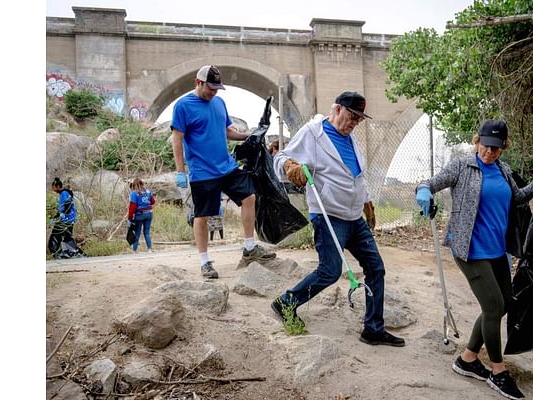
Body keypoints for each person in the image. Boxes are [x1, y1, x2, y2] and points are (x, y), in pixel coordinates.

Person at [415, 119, 533, 400]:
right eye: (485, 145)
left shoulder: (503, 170)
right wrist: (423, 192)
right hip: (469, 250)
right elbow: (430, 183)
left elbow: (518, 198)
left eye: (496, 148)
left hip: (496, 251)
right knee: (493, 307)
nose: (489, 152)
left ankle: (467, 359)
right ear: (477, 140)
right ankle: (498, 371)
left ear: (503, 148)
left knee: (503, 305)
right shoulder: (461, 166)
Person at [270, 91, 401, 347]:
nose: (355, 123)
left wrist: (366, 202)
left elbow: (355, 176)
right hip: (329, 215)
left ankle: (373, 329)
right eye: (352, 116)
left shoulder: (351, 140)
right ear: (337, 109)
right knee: (330, 272)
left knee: (376, 269)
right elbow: (280, 158)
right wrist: (290, 168)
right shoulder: (313, 133)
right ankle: (285, 303)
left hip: (354, 218)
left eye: (359, 119)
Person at [171, 64, 276, 279]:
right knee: (203, 215)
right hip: (202, 172)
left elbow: (227, 130)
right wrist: (180, 171)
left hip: (225, 166)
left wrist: (248, 136)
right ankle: (205, 262)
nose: (214, 92)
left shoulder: (219, 102)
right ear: (198, 83)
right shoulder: (183, 106)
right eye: (210, 88)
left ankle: (249, 248)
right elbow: (177, 139)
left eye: (217, 88)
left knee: (249, 197)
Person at [48, 177, 85, 259]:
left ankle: (67, 253)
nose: (53, 189)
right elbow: (62, 207)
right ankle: (69, 252)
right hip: (67, 219)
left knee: (62, 236)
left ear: (57, 186)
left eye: (53, 187)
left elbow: (67, 204)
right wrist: (56, 217)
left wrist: (63, 215)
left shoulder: (64, 193)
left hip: (67, 220)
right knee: (67, 236)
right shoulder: (63, 194)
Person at [127, 178, 155, 254]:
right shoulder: (148, 191)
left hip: (139, 215)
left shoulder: (134, 194)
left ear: (134, 185)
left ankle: (134, 250)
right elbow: (153, 201)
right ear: (142, 184)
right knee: (147, 232)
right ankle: (149, 249)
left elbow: (132, 207)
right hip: (149, 214)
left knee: (137, 232)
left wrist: (130, 218)